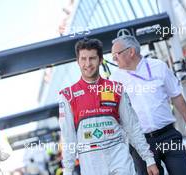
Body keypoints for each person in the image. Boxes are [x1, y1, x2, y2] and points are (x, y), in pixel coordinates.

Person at [58, 38, 159, 175]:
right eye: (83, 59)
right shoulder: (68, 96)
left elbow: (132, 126)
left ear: (100, 60)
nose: (88, 64)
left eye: (92, 58)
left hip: (119, 158)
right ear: (78, 61)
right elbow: (68, 137)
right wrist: (68, 171)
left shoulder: (115, 89)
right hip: (91, 164)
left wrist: (148, 158)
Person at [110, 35, 186, 175]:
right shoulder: (115, 79)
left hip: (168, 135)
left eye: (116, 54)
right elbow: (113, 112)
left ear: (131, 52)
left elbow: (176, 96)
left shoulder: (159, 66)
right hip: (140, 143)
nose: (114, 59)